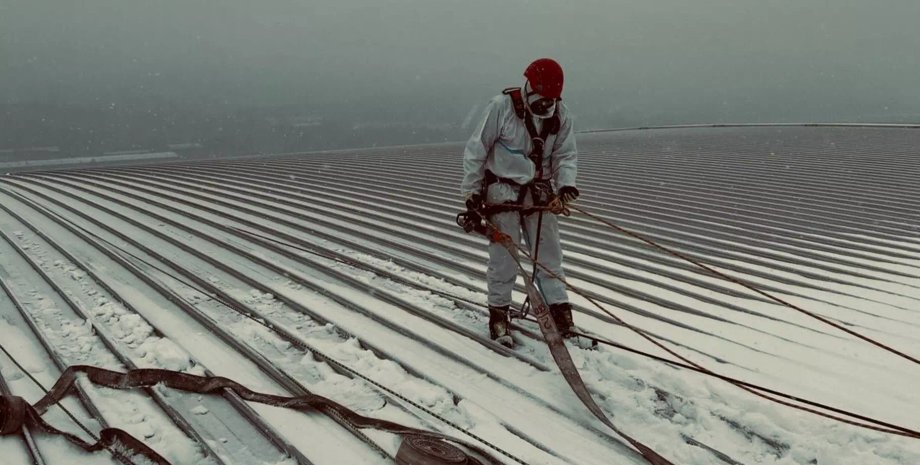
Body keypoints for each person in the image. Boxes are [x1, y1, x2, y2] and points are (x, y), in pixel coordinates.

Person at [459, 58, 580, 348]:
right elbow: (477, 149)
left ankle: (561, 315)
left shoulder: (561, 116)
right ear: (529, 89)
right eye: (542, 99)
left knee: (549, 257)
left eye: (552, 100)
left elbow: (565, 155)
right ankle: (498, 316)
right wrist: (471, 192)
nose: (546, 106)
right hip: (502, 192)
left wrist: (565, 185)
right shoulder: (500, 108)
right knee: (504, 259)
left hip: (540, 193)